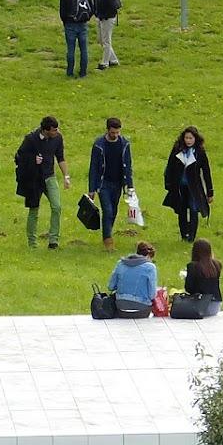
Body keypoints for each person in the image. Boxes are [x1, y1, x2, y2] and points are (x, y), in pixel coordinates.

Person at [14, 115, 70, 250]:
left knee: (57, 206)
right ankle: (32, 242)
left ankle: (53, 240)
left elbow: (60, 157)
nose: (56, 133)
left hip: (49, 176)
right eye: (53, 130)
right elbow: (19, 157)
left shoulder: (57, 138)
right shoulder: (31, 139)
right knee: (34, 209)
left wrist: (66, 176)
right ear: (45, 130)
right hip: (35, 178)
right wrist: (33, 160)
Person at [88, 116, 134, 251]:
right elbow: (94, 167)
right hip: (103, 184)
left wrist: (130, 185)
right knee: (107, 211)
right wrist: (91, 188)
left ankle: (108, 233)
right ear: (107, 130)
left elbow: (128, 165)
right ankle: (107, 238)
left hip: (118, 183)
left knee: (113, 211)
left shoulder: (124, 144)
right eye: (112, 132)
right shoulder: (99, 145)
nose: (115, 135)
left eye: (117, 132)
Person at [162, 127, 214, 241]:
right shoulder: (177, 150)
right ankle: (184, 234)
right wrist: (168, 184)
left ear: (195, 139)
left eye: (191, 138)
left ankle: (191, 236)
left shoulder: (200, 152)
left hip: (194, 187)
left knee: (194, 209)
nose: (188, 140)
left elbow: (206, 171)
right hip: (179, 186)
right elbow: (170, 167)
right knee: (181, 210)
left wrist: (210, 192)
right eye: (186, 138)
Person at [108, 240, 158, 317]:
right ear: (148, 255)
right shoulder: (150, 267)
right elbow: (152, 295)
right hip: (142, 310)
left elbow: (110, 287)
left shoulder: (120, 263)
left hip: (121, 308)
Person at [59, 0, 92, 78]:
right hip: (83, 24)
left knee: (71, 50)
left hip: (70, 24)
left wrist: (65, 22)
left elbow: (62, 11)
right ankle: (83, 72)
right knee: (84, 49)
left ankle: (70, 72)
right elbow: (91, 9)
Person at [89, 0, 123, 69]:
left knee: (106, 41)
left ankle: (105, 63)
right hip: (102, 17)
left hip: (107, 18)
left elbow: (113, 5)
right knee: (101, 40)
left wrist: (105, 16)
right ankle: (113, 59)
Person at [182, 239, 222, 315]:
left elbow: (189, 289)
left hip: (200, 305)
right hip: (216, 305)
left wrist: (187, 278)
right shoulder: (217, 265)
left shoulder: (193, 266)